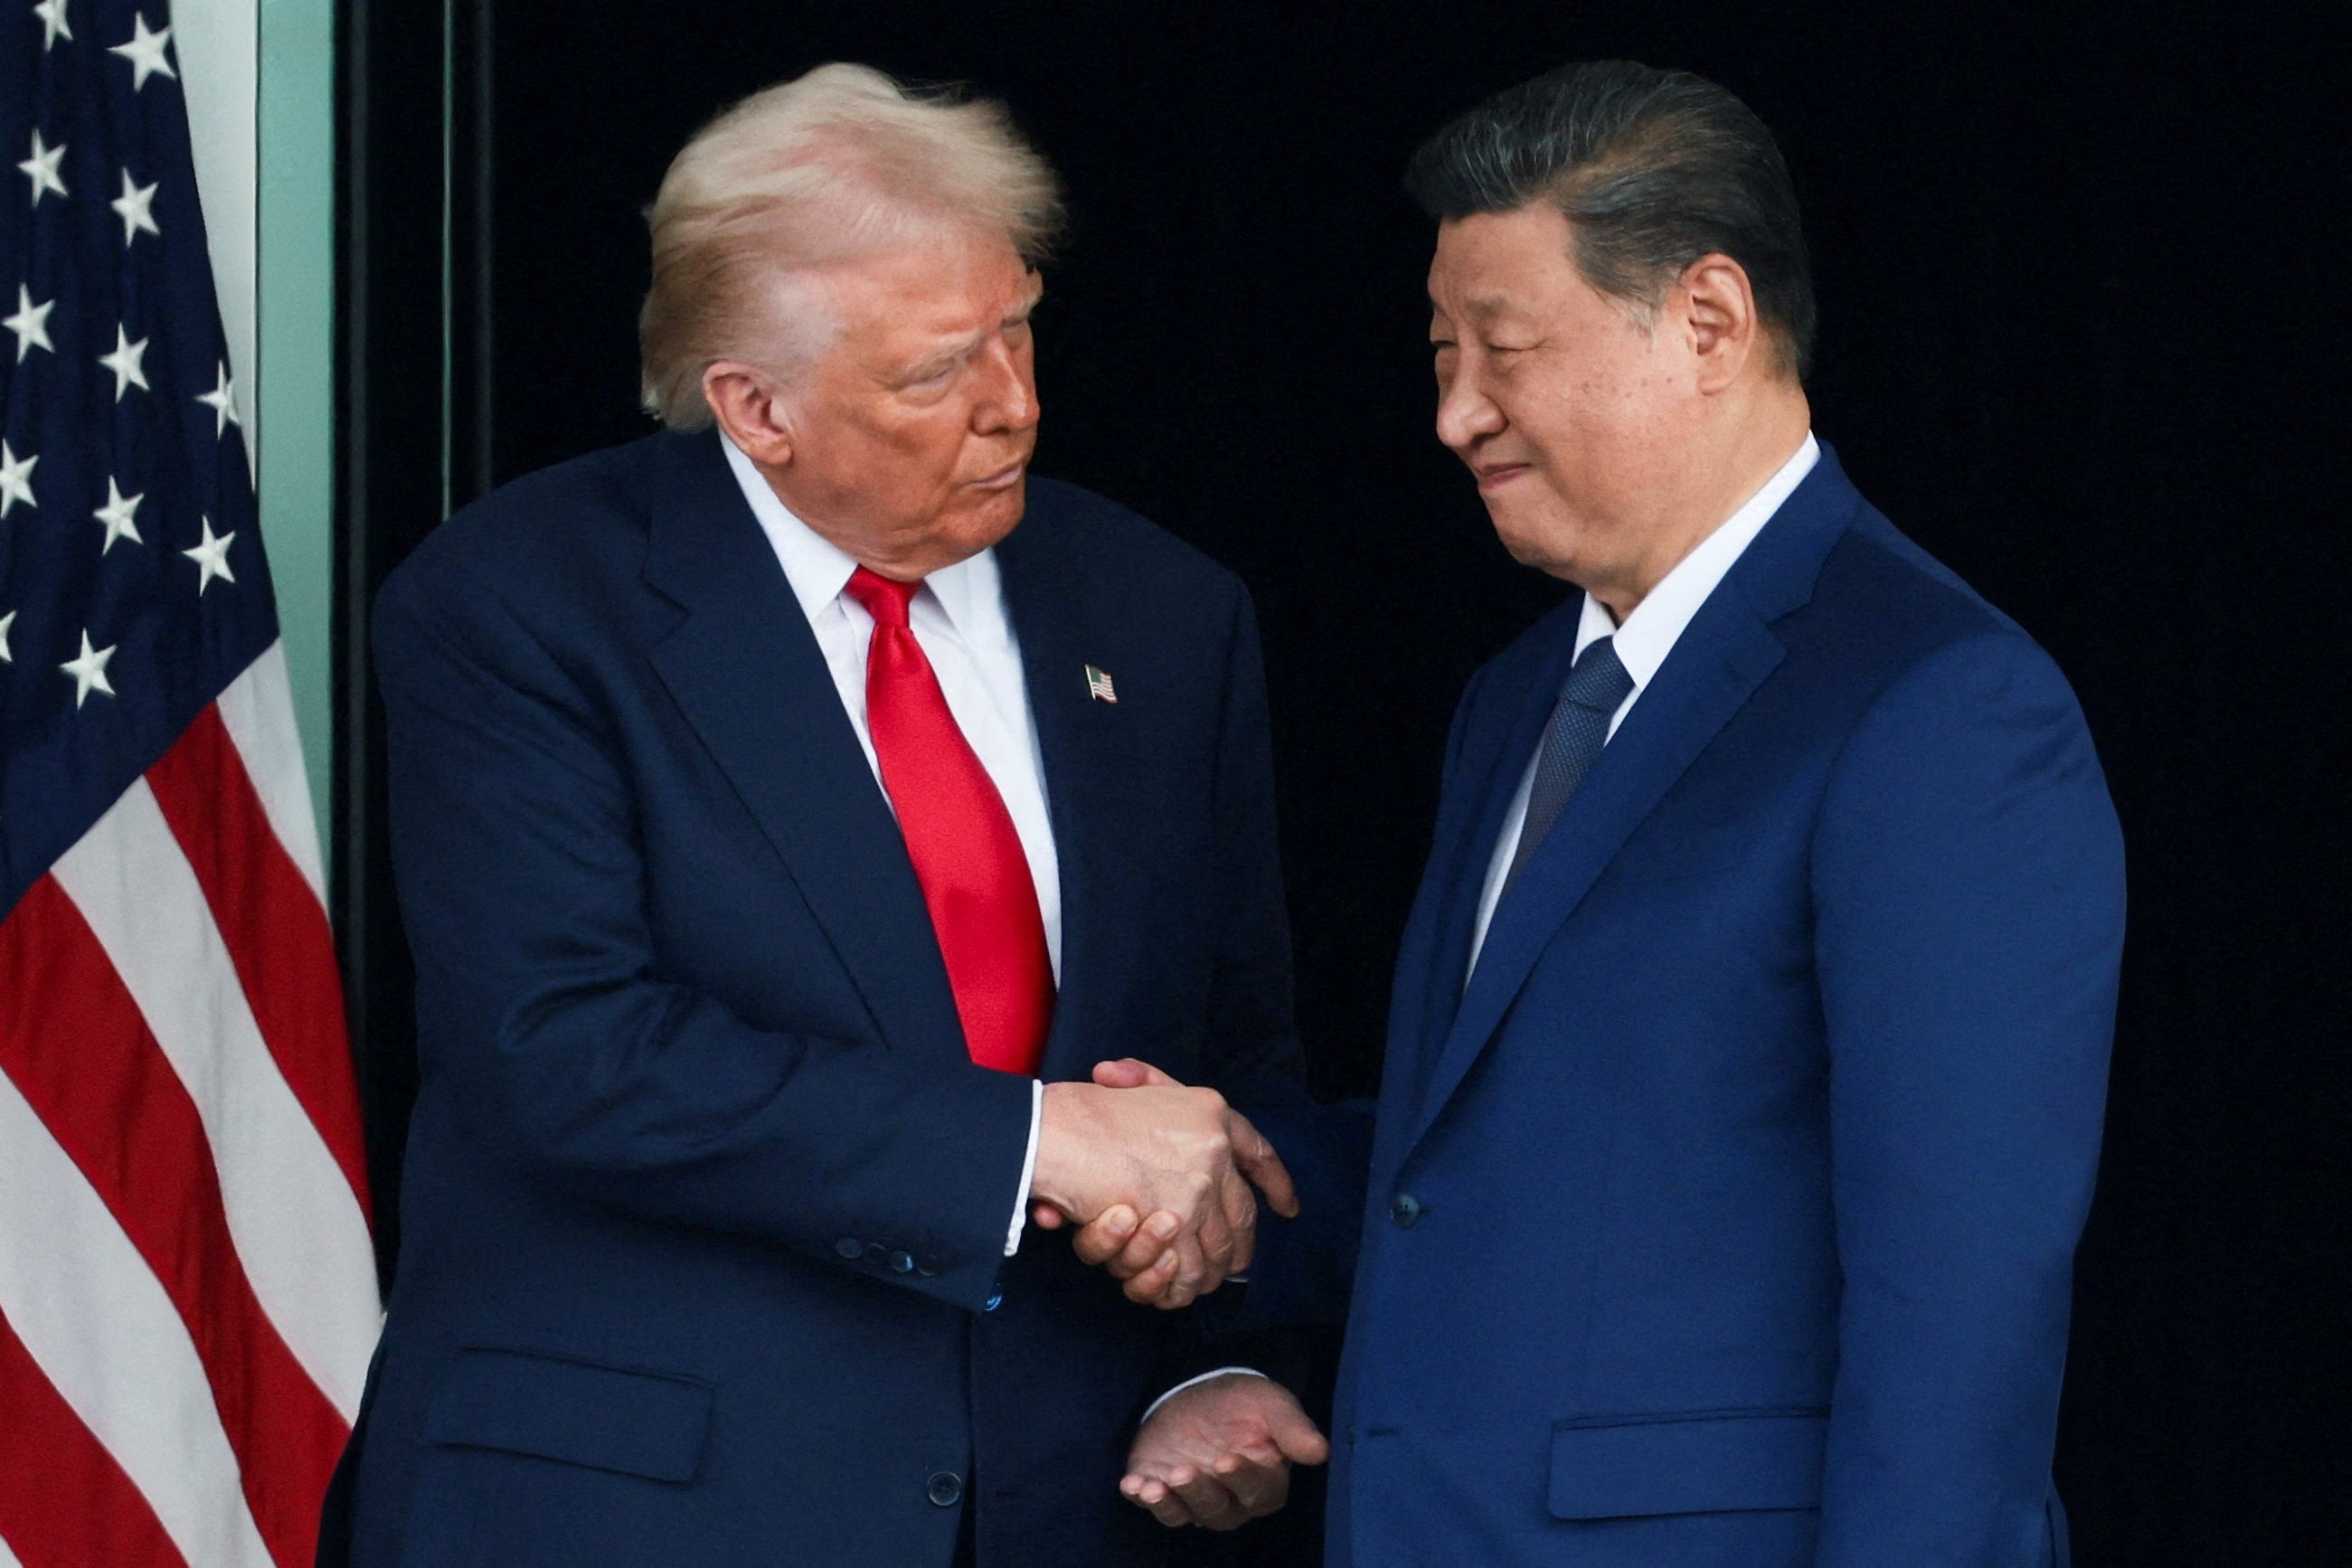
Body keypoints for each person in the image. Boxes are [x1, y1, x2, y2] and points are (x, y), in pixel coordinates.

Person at [1105, 61, 2125, 1566]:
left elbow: (1958, 1309)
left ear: (1707, 320)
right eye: (1440, 350)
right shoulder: (1518, 693)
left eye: (1503, 347)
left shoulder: (1937, 705)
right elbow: (1519, 1149)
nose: (1455, 413)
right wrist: (1217, 1166)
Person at [317, 63, 1308, 1568]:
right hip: (626, 1512)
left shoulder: (1165, 614)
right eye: (934, 373)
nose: (1014, 405)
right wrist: (1036, 1143)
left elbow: (1231, 1064)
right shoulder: (519, 603)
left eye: (1019, 326)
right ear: (754, 407)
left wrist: (1212, 1356)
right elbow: (566, 1053)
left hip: (1052, 1508)